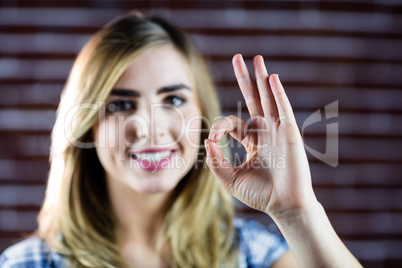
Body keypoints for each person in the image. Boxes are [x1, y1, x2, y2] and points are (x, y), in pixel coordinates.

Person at [0, 12, 362, 268]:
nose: (149, 129)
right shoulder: (30, 263)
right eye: (122, 104)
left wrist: (296, 213)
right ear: (88, 126)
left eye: (173, 100)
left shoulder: (253, 255)